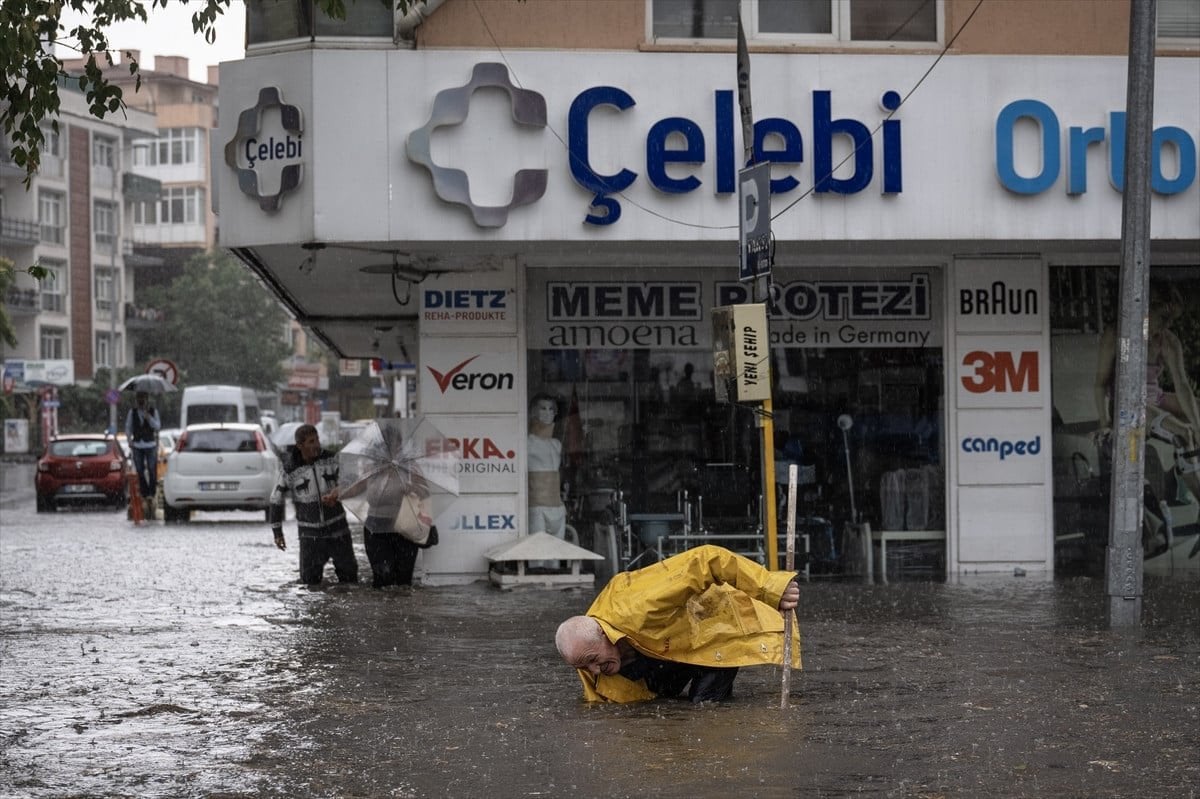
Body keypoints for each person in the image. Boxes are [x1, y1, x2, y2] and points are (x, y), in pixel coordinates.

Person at [555, 545, 801, 704]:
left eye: (593, 660)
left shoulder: (639, 605)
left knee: (704, 708)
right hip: (663, 652)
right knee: (664, 708)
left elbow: (706, 559)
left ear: (602, 634)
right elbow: (602, 705)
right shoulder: (585, 657)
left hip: (714, 627)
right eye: (584, 666)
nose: (594, 671)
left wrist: (769, 587)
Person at [1095, 283, 1200, 503]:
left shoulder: (1167, 341)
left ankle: (1182, 476)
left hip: (1155, 399)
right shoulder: (1117, 335)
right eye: (1164, 317)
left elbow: (1181, 385)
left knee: (1195, 420)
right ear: (1146, 309)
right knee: (1183, 433)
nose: (1168, 325)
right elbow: (1101, 384)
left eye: (1172, 320)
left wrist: (1197, 424)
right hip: (1129, 405)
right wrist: (1105, 422)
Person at [269, 424, 358, 586]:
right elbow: (276, 499)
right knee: (309, 584)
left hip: (338, 531)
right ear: (300, 445)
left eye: (317, 439)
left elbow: (351, 480)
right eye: (311, 441)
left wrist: (337, 492)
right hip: (310, 537)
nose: (316, 444)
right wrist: (277, 533)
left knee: (350, 579)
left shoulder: (331, 459)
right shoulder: (290, 469)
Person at [528, 394, 566, 541]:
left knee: (555, 558)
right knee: (538, 556)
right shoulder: (527, 443)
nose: (547, 413)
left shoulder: (556, 444)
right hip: (537, 507)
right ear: (533, 412)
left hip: (558, 507)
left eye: (551, 409)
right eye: (543, 408)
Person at [124, 391, 161, 514]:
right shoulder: (132, 412)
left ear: (147, 399)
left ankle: (152, 492)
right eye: (139, 399)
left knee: (151, 468)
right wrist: (129, 440)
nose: (141, 401)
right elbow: (128, 427)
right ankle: (145, 493)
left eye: (143, 399)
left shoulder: (153, 411)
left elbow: (157, 426)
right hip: (137, 444)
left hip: (150, 444)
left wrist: (148, 418)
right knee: (139, 469)